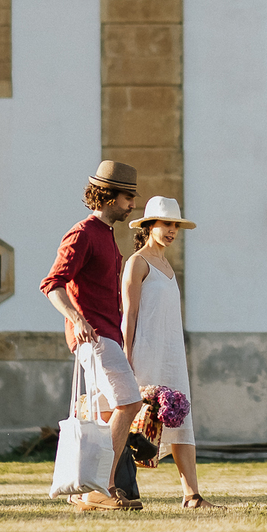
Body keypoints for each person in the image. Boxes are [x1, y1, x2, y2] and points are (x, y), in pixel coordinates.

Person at [41, 160, 144, 511]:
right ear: (109, 196)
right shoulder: (83, 233)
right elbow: (52, 283)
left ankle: (92, 491)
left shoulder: (107, 235)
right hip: (94, 336)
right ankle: (102, 487)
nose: (132, 204)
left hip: (108, 335)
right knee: (129, 403)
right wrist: (76, 318)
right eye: (127, 197)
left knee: (106, 414)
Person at [122, 196, 221, 509]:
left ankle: (192, 495)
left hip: (171, 353)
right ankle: (111, 487)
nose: (171, 230)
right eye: (166, 224)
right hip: (145, 353)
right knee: (132, 424)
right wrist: (126, 356)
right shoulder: (137, 262)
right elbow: (130, 314)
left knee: (181, 420)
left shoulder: (167, 266)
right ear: (149, 226)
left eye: (175, 225)